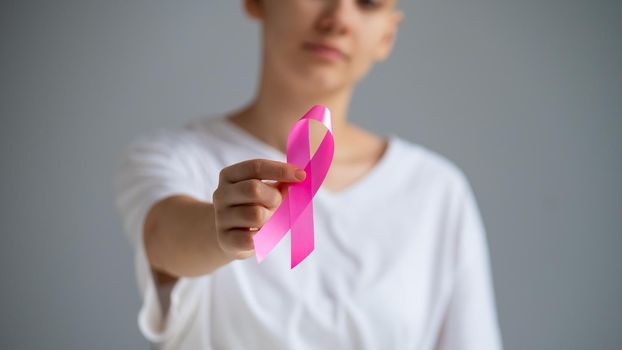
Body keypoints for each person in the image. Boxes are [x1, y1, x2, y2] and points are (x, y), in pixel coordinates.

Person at [115, 0, 502, 349]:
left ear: (387, 34)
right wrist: (219, 229)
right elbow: (164, 236)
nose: (338, 19)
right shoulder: (175, 158)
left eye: (367, 3)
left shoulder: (436, 191)